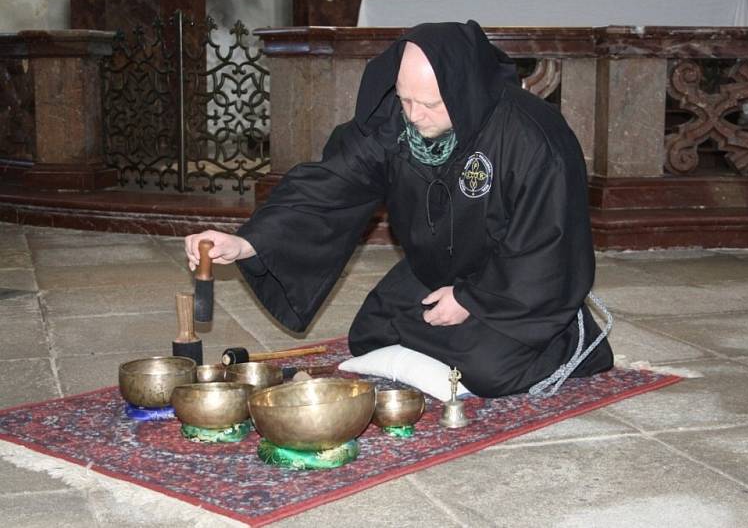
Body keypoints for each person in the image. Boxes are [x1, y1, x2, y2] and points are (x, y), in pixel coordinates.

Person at [185, 20, 613, 398]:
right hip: (437, 269)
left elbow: (549, 242)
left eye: (429, 105)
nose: (414, 116)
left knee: (488, 369)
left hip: (511, 285)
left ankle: (570, 342)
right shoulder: (399, 118)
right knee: (371, 331)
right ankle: (453, 334)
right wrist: (247, 242)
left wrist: (471, 299)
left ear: (466, 90)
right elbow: (332, 182)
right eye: (407, 100)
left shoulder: (533, 137)